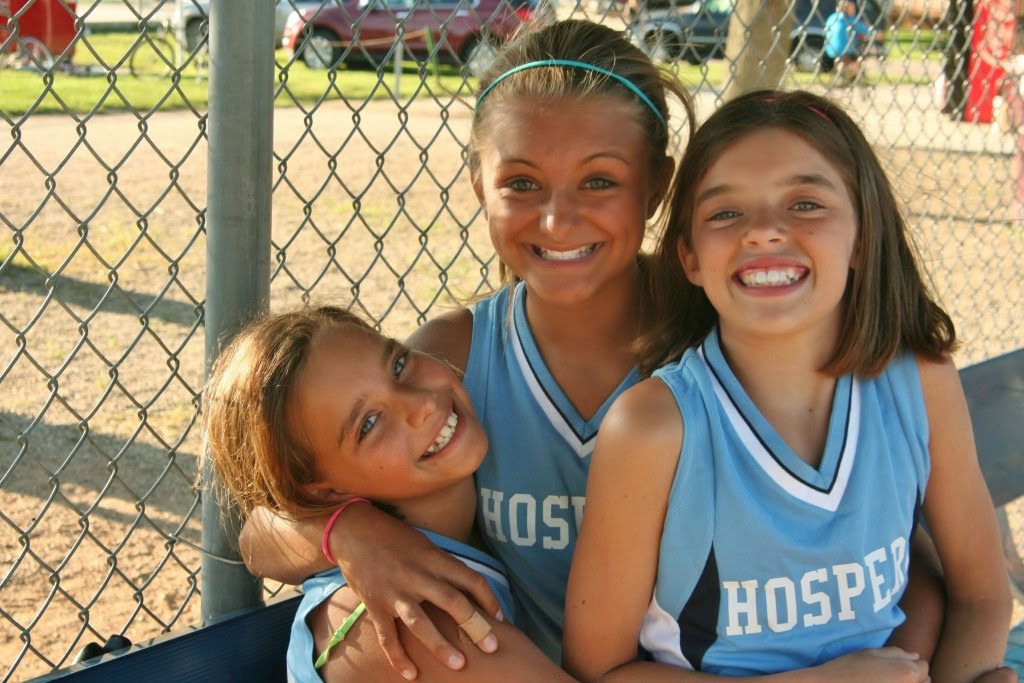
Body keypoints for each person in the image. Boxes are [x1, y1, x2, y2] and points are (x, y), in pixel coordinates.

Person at [236, 17, 696, 680]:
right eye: (522, 183)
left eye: (599, 181)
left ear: (655, 186)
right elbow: (259, 533)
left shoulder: (713, 337)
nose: (557, 220)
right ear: (480, 184)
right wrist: (353, 534)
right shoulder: (454, 357)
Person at [562, 90, 1014, 682]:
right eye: (725, 213)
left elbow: (982, 598)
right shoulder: (655, 427)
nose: (765, 232)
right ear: (690, 258)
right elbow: (599, 671)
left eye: (805, 204)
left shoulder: (918, 381)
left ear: (863, 236)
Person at [202, 305, 576, 681]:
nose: (422, 403)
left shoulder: (471, 519)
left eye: (398, 365)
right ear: (326, 491)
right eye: (369, 424)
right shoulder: (401, 620)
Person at [824, 0, 872, 80]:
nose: (854, 10)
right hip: (846, 50)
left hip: (830, 49)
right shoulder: (851, 20)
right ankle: (850, 70)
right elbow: (867, 30)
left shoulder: (832, 17)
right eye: (852, 8)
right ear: (846, 9)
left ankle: (844, 71)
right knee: (862, 53)